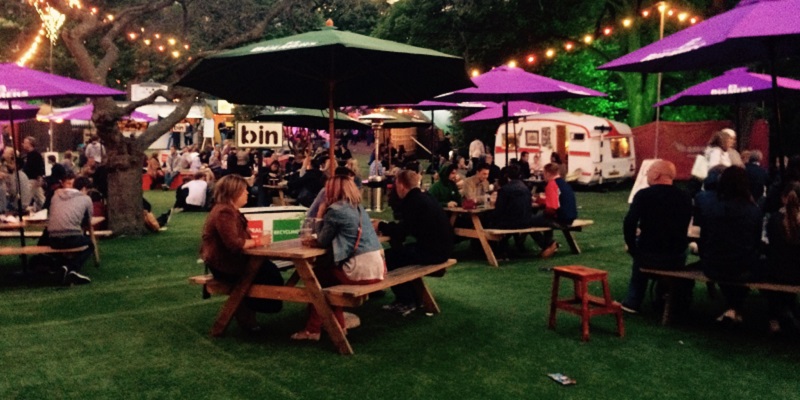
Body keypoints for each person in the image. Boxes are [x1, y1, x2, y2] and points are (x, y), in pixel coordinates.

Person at [291, 175, 385, 341]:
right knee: (326, 278)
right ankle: (338, 325)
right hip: (378, 268)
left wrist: (320, 214)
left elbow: (321, 240)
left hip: (359, 270)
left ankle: (313, 330)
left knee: (317, 282)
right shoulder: (358, 208)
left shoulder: (335, 210)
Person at [200, 175, 283, 332]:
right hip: (225, 266)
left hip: (231, 262)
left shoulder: (230, 211)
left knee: (268, 269)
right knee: (267, 272)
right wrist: (259, 241)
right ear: (234, 192)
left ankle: (252, 314)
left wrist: (252, 240)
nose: (247, 193)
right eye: (244, 190)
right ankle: (262, 306)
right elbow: (234, 244)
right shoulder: (224, 212)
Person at [374, 170, 454, 316]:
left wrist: (380, 226)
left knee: (388, 258)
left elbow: (402, 231)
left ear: (401, 185)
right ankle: (415, 298)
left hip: (433, 252)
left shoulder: (412, 201)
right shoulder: (425, 197)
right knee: (400, 254)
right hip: (444, 248)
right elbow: (410, 227)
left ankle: (406, 301)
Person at [621, 160, 692, 314]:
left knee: (641, 252)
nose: (647, 175)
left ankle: (633, 300)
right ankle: (664, 294)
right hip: (675, 256)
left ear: (656, 174)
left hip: (649, 254)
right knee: (683, 248)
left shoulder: (644, 195)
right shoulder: (685, 197)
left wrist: (632, 248)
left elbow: (629, 222)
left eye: (648, 171)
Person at [700, 166, 762, 324]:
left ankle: (733, 308)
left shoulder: (711, 208)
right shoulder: (753, 210)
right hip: (742, 267)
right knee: (755, 264)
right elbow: (756, 242)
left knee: (733, 262)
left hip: (713, 266)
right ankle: (735, 308)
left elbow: (704, 238)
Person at [42, 172, 94, 285]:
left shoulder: (56, 196)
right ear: (84, 188)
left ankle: (62, 267)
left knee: (68, 244)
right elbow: (88, 221)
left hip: (52, 238)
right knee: (89, 245)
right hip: (71, 235)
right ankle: (72, 268)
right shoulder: (85, 199)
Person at [764, 182, 800, 333]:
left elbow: (768, 245)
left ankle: (776, 316)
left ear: (783, 198)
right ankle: (785, 309)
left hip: (777, 273)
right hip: (796, 273)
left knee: (766, 265)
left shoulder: (773, 220)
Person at [530, 163, 577, 258]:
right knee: (544, 219)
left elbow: (552, 208)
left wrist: (543, 210)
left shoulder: (552, 184)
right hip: (570, 217)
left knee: (529, 222)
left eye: (544, 173)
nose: (543, 175)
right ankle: (548, 245)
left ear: (548, 173)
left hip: (560, 218)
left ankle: (548, 245)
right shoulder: (565, 184)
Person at [488, 164, 533, 257]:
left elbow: (499, 210)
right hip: (526, 221)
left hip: (510, 222)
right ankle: (516, 246)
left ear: (507, 176)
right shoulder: (526, 188)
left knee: (489, 222)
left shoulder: (504, 190)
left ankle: (496, 250)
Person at [22, 136, 45, 211]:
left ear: (30, 144)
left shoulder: (35, 154)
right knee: (39, 197)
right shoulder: (28, 155)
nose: (23, 144)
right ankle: (44, 209)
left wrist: (40, 177)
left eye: (25, 142)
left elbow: (40, 166)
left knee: (27, 197)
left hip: (32, 179)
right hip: (33, 179)